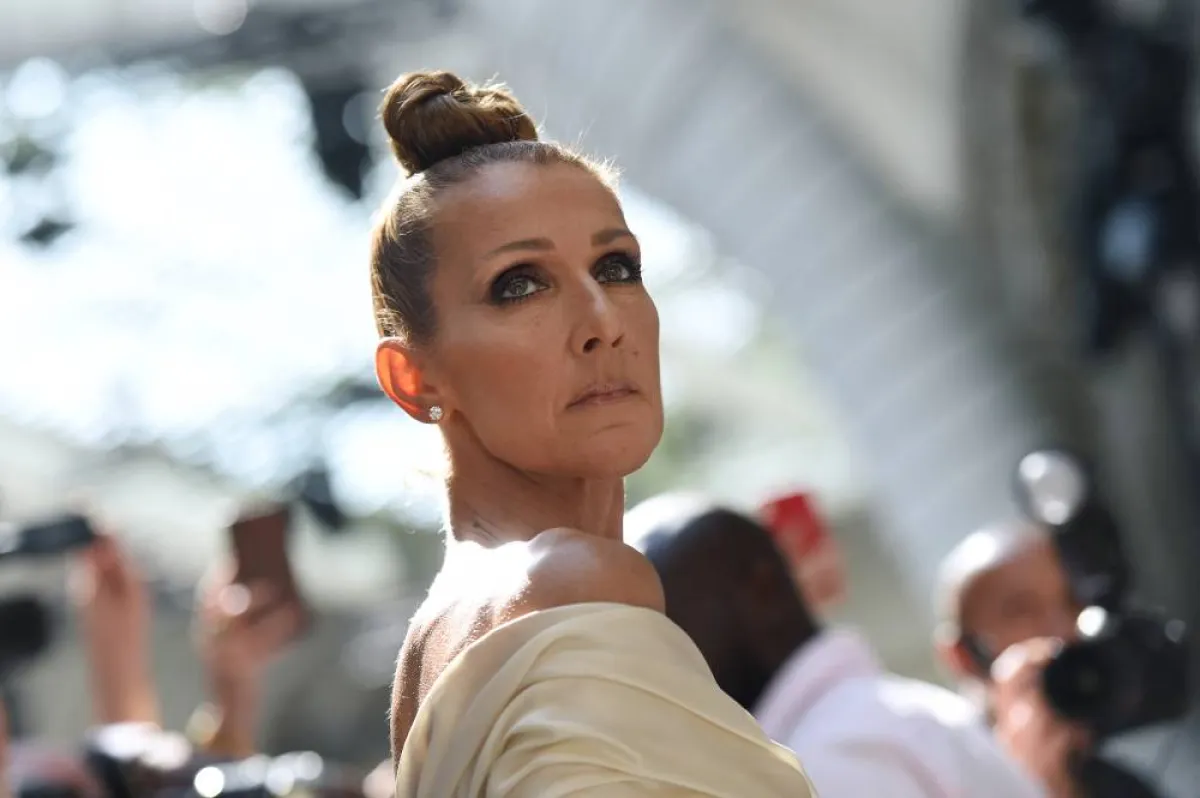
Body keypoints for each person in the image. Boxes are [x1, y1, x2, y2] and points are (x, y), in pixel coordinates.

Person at [369, 70, 816, 796]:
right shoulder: (573, 581)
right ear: (413, 379)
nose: (603, 323)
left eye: (616, 268)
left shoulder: (428, 649)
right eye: (520, 283)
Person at [626, 494, 1094, 798]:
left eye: (661, 618)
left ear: (762, 590)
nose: (646, 660)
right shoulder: (876, 718)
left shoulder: (832, 757)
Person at [935, 520, 1162, 798]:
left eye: (1069, 600)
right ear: (963, 656)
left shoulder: (1115, 781)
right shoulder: (934, 780)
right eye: (1021, 610)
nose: (1062, 631)